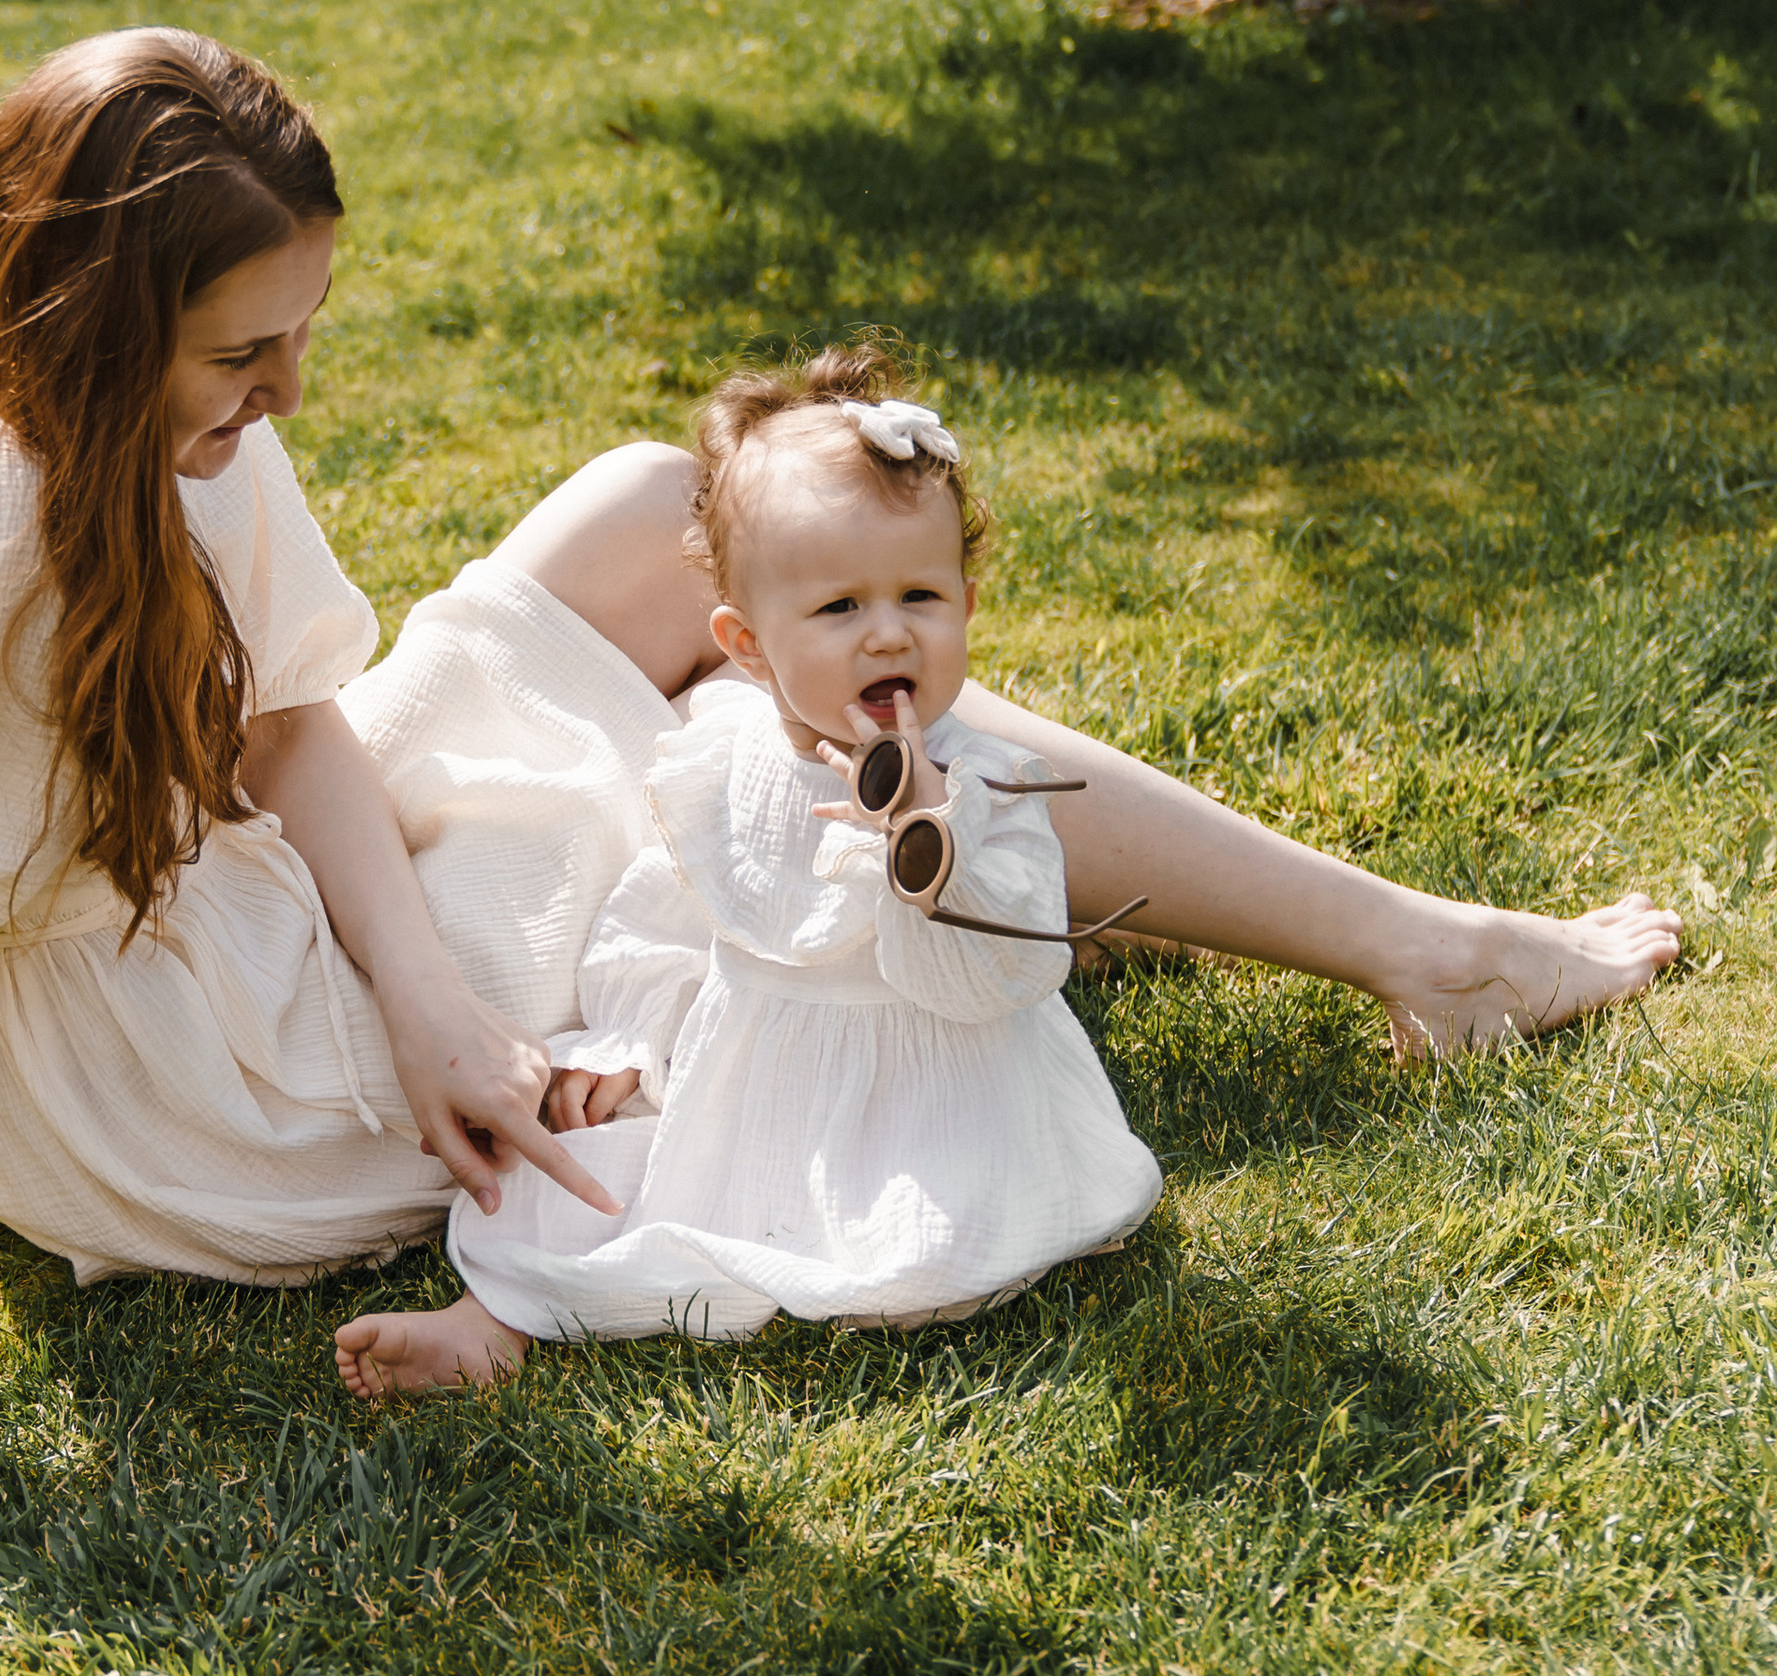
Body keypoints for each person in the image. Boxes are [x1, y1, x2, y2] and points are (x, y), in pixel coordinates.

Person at [0, 28, 1678, 1596]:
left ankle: (1233, 926)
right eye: (240, 354)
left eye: (289, 334)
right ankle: (1431, 953)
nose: (283, 392)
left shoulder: (141, 408)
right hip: (180, 1089)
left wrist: (438, 993)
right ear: (87, 315)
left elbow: (291, 729)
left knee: (639, 531)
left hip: (273, 908)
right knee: (800, 723)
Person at [335, 350, 1165, 1397]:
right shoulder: (720, 755)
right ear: (746, 641)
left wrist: (926, 852)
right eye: (836, 609)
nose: (886, 632)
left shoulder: (987, 779)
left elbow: (1001, 976)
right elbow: (665, 917)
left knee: (926, 1237)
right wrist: (631, 1034)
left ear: (964, 600)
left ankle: (848, 1236)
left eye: (921, 594)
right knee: (574, 1184)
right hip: (750, 1086)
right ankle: (493, 1323)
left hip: (931, 1093)